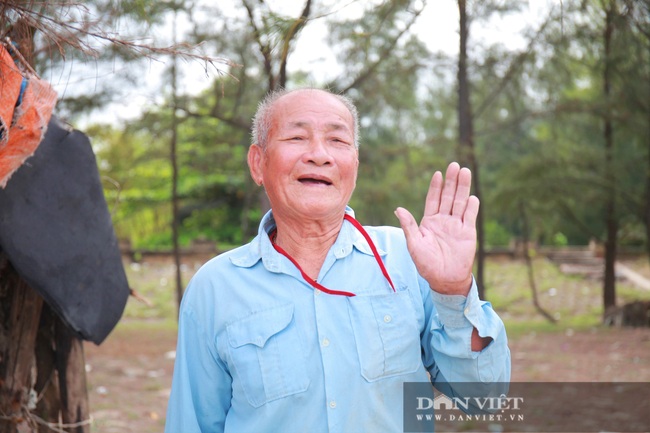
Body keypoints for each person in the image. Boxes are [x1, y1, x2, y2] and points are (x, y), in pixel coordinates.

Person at [164, 88, 510, 433]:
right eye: (297, 137)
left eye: (338, 141)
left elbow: (484, 398)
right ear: (258, 163)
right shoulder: (215, 288)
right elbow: (192, 423)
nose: (319, 155)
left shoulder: (410, 257)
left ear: (354, 165)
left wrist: (452, 291)